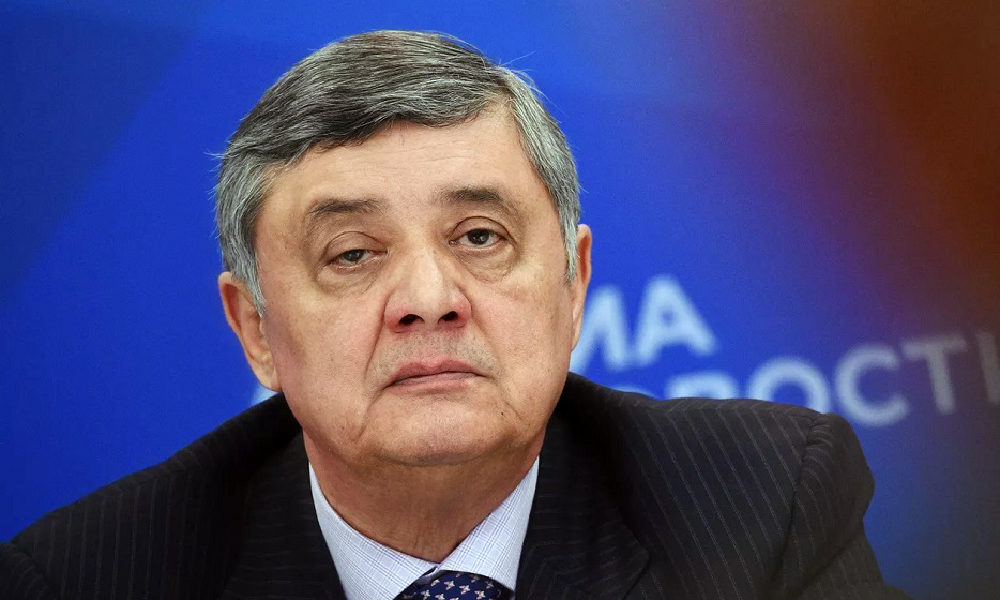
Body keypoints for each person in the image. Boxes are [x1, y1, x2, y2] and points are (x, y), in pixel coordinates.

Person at [0, 31, 908, 600]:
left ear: (574, 284)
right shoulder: (85, 578)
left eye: (479, 237)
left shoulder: (762, 503)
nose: (429, 300)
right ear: (258, 331)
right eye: (352, 255)